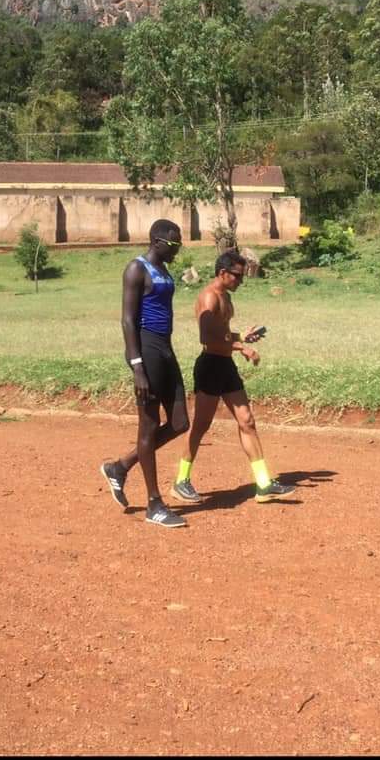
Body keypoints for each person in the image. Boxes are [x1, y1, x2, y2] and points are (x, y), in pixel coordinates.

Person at [172, 249, 295, 504]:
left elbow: (222, 334)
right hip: (210, 367)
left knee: (247, 421)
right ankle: (181, 480)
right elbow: (207, 340)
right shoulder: (209, 298)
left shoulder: (225, 297)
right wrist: (243, 349)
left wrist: (241, 337)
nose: (241, 280)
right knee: (201, 425)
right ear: (222, 273)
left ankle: (263, 484)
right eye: (237, 276)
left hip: (225, 365)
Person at [100, 219, 190, 528]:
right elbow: (127, 321)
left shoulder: (164, 269)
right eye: (174, 244)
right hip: (147, 349)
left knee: (180, 422)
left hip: (165, 347)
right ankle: (154, 503)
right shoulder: (136, 269)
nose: (178, 249)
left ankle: (121, 466)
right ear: (157, 241)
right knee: (149, 427)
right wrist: (136, 366)